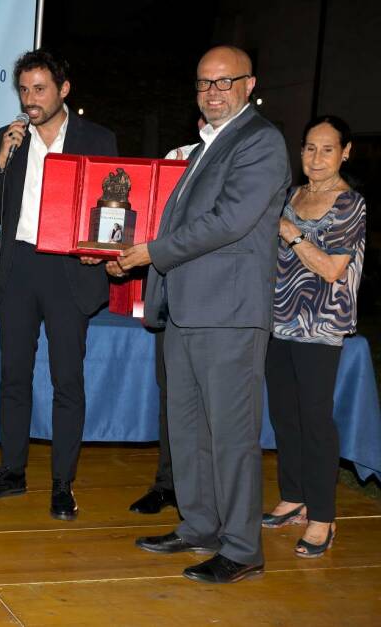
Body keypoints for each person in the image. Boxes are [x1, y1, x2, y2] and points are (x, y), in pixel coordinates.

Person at [119, 46, 289, 584]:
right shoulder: (203, 148)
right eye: (204, 84)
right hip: (188, 311)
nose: (213, 92)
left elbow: (229, 221)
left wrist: (151, 252)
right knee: (188, 430)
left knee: (231, 435)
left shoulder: (261, 141)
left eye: (224, 82)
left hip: (230, 315)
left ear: (248, 84)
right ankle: (198, 525)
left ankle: (242, 548)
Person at [0, 48, 117, 520]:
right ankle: (11, 472)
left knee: (66, 381)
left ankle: (62, 483)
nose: (30, 99)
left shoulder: (96, 139)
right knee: (13, 376)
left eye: (40, 89)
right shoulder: (10, 139)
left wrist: (104, 246)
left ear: (63, 90)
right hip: (19, 269)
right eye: (24, 90)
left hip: (70, 270)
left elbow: (114, 210)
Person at [262, 115, 364, 559]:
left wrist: (291, 232)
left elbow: (331, 268)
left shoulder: (350, 204)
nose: (316, 157)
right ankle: (294, 496)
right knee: (285, 416)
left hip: (321, 327)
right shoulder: (293, 195)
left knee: (316, 422)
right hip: (278, 323)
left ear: (345, 153)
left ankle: (323, 516)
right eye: (309, 147)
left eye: (327, 149)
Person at [128, 119, 204, 516]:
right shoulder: (175, 158)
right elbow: (147, 215)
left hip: (215, 300)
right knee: (171, 395)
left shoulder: (242, 159)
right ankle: (167, 484)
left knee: (210, 403)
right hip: (173, 294)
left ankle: (202, 496)